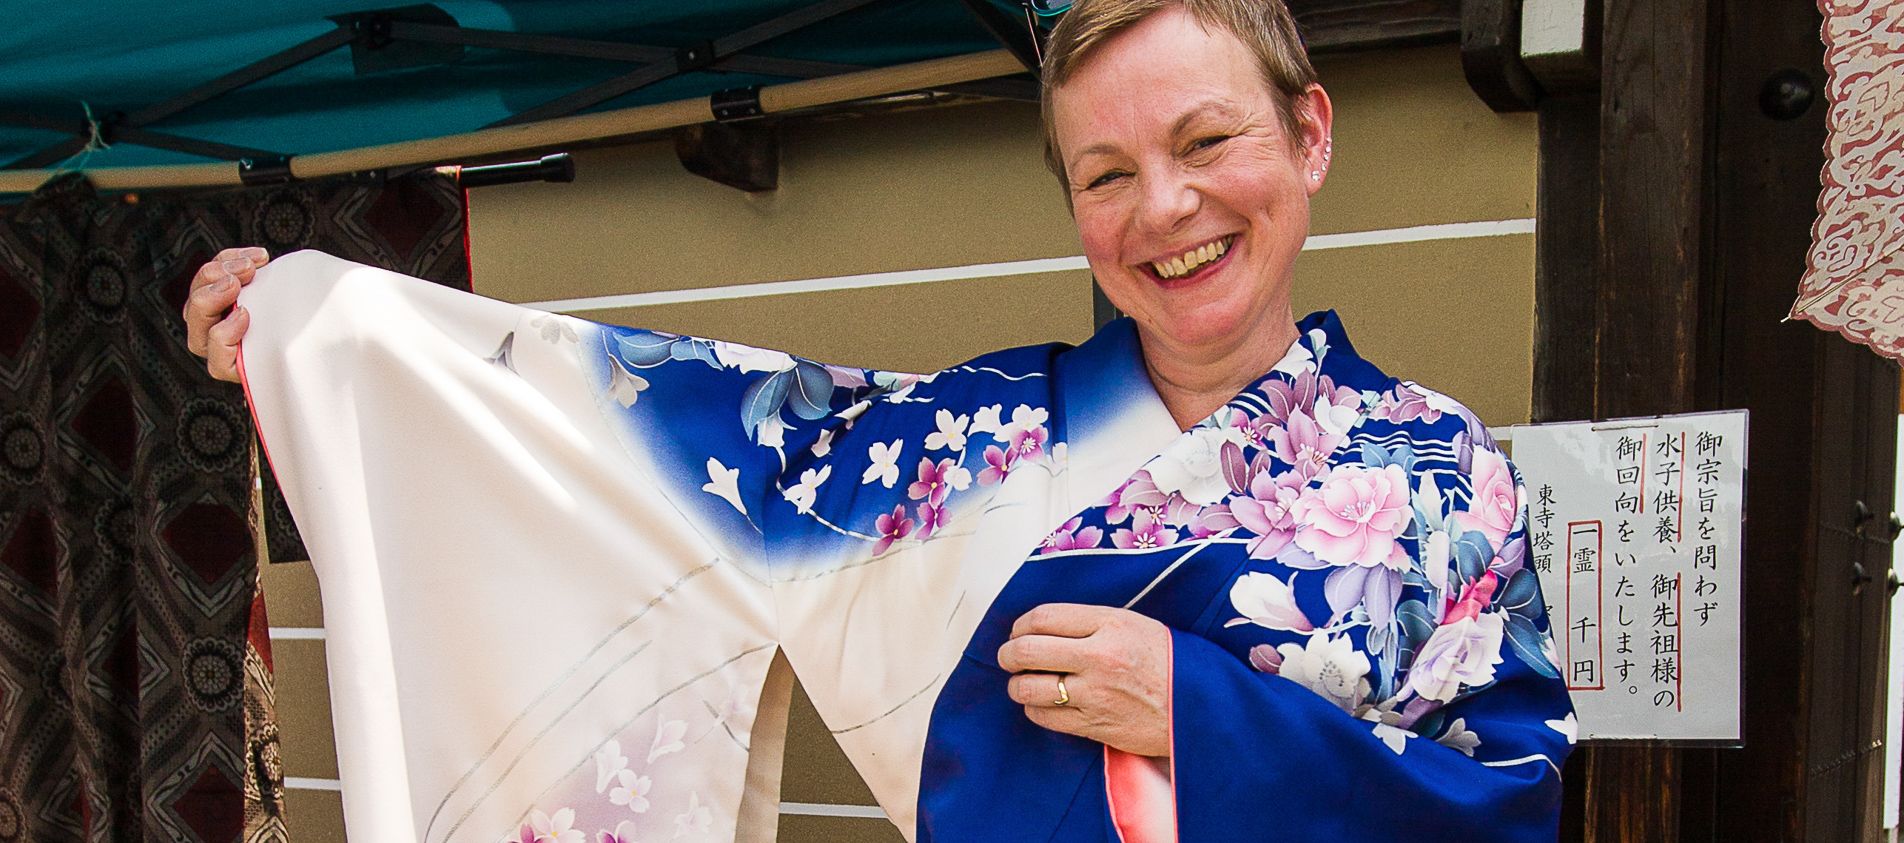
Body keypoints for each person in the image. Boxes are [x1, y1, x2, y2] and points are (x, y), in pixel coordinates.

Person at [185, 1, 1575, 840]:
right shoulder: (955, 446)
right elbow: (639, 433)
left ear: (1310, 135)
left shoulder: (1443, 472)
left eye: (1208, 142)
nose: (1166, 208)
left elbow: (1510, 805)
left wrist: (1200, 717)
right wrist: (319, 332)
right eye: (1106, 174)